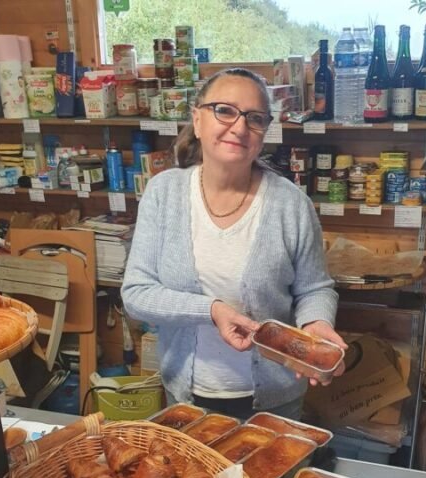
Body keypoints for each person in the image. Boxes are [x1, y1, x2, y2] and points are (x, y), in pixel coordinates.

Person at [122, 67, 346, 421]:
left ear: (264, 132)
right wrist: (212, 310)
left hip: (276, 401)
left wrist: (315, 323)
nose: (239, 127)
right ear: (197, 120)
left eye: (254, 118)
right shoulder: (162, 193)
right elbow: (137, 293)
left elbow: (314, 288)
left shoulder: (291, 204)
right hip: (186, 397)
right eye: (224, 110)